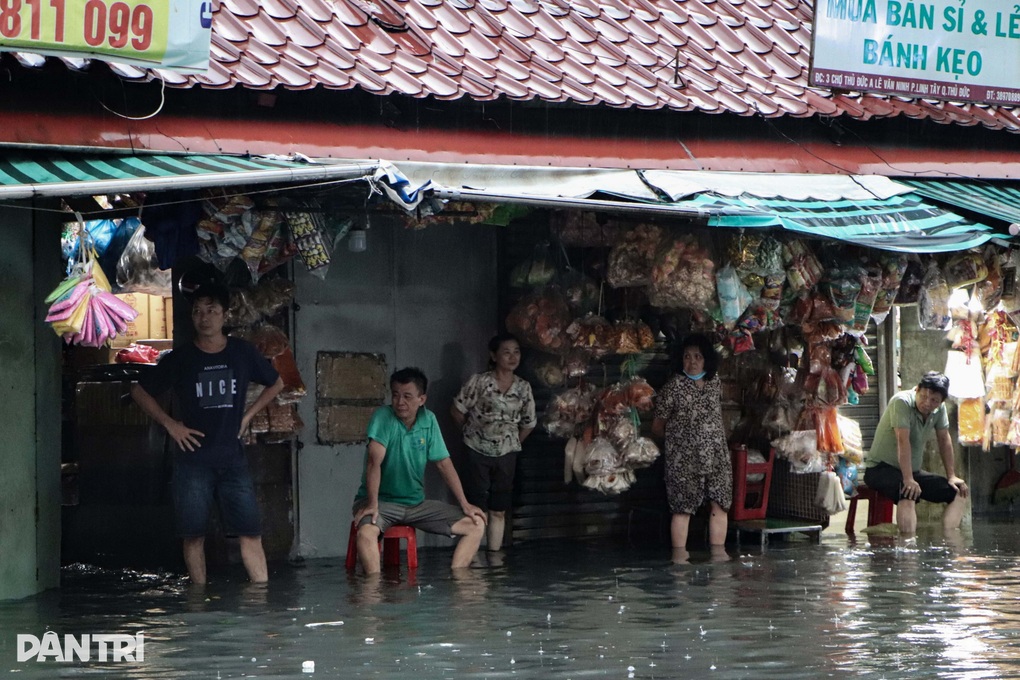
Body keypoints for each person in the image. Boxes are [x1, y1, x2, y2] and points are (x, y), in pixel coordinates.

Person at [130, 282, 284, 584]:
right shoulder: (182, 358)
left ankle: (261, 604)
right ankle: (197, 602)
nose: (204, 317)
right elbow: (139, 391)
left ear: (225, 315)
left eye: (211, 310)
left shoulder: (242, 352)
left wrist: (248, 416)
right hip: (192, 461)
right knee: (193, 535)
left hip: (232, 459)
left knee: (250, 533)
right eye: (198, 311)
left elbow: (276, 383)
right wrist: (171, 425)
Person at [353, 367, 486, 573]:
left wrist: (465, 504)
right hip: (381, 503)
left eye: (407, 396)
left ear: (421, 399)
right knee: (365, 534)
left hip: (416, 505)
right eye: (395, 395)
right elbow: (374, 462)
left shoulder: (428, 420)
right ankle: (373, 593)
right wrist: (372, 503)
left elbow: (444, 463)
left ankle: (460, 584)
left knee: (476, 524)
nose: (400, 402)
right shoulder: (383, 417)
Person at [451, 333, 536, 553]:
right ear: (493, 355)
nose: (512, 357)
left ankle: (495, 558)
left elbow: (529, 422)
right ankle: (475, 556)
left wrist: (514, 442)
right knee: (478, 506)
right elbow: (457, 410)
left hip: (507, 453)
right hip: (477, 450)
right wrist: (471, 435)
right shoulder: (479, 382)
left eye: (516, 351)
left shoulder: (524, 388)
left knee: (500, 507)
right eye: (506, 352)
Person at [651, 334, 732, 560]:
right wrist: (680, 442)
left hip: (717, 458)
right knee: (682, 509)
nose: (693, 362)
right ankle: (679, 562)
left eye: (698, 356)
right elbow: (657, 426)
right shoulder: (673, 387)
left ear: (707, 359)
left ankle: (719, 558)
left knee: (720, 506)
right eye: (687, 357)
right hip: (683, 461)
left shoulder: (715, 382)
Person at [863, 371, 968, 535]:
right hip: (879, 469)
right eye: (924, 396)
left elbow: (944, 439)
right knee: (907, 491)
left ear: (941, 401)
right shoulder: (901, 402)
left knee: (958, 491)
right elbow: (902, 441)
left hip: (912, 472)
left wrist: (952, 475)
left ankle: (951, 544)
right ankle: (908, 551)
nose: (927, 403)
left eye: (934, 400)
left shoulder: (939, 410)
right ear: (917, 389)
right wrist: (908, 479)